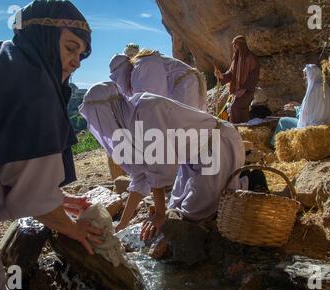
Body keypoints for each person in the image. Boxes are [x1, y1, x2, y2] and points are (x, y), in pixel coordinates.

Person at [0, 0, 102, 290]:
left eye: (81, 54)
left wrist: (57, 198)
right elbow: (35, 200)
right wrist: (73, 230)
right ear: (42, 35)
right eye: (70, 47)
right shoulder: (34, 83)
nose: (77, 61)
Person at [79, 82, 245, 240]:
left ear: (106, 111)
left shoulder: (146, 109)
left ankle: (246, 182)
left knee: (196, 213)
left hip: (217, 144)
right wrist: (122, 224)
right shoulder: (127, 121)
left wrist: (159, 214)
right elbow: (141, 176)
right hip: (194, 155)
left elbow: (158, 165)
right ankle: (232, 183)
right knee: (177, 204)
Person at [108, 50, 208, 111]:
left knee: (184, 123)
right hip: (183, 83)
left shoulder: (141, 66)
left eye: (117, 77)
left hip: (184, 84)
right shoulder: (137, 68)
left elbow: (151, 101)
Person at [270, 64, 330, 146]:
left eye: (306, 75)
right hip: (325, 124)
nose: (304, 78)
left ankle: (274, 146)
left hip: (313, 125)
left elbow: (307, 115)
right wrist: (297, 107)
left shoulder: (314, 89)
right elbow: (315, 109)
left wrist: (296, 109)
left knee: (283, 121)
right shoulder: (325, 87)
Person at [215, 36, 260, 124]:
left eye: (236, 45)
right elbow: (231, 74)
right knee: (238, 110)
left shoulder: (251, 58)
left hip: (247, 91)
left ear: (241, 45)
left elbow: (253, 75)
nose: (235, 48)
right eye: (234, 46)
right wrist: (221, 75)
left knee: (235, 107)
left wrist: (244, 89)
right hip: (237, 91)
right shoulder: (235, 59)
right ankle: (242, 129)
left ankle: (237, 128)